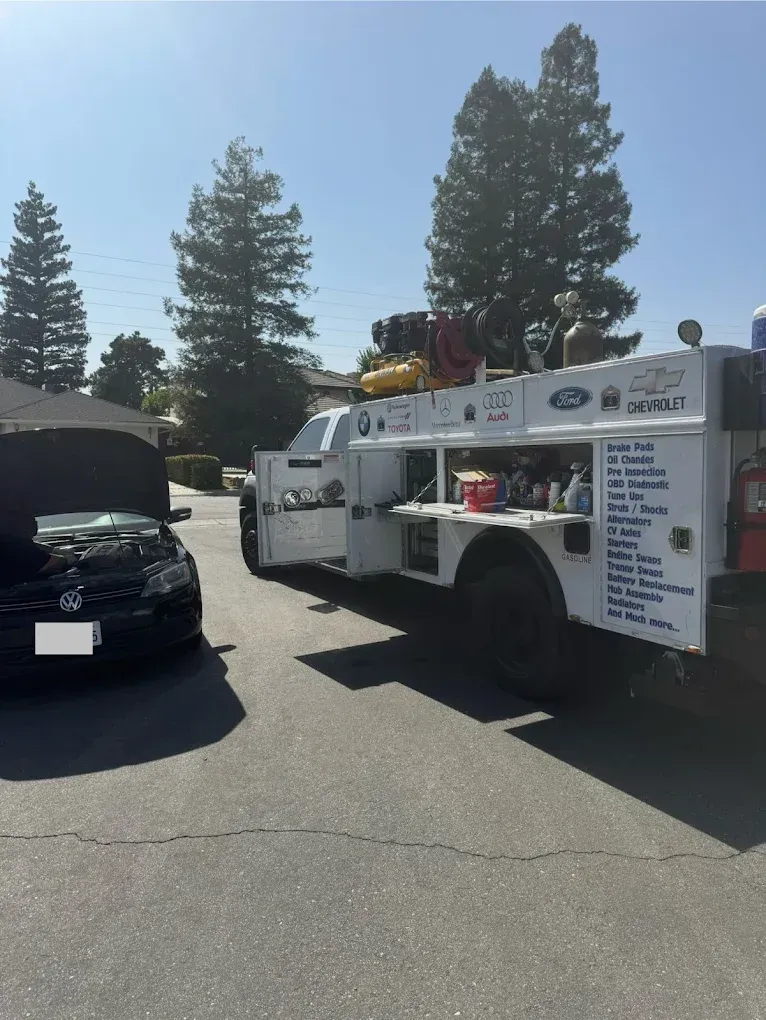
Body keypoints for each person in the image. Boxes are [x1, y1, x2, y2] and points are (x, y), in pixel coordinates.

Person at [0, 508, 69, 588]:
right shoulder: (20, 550)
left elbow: (34, 545)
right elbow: (56, 562)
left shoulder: (9, 544)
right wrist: (68, 558)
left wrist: (54, 550)